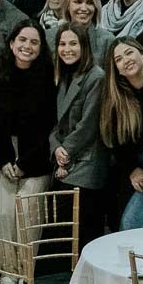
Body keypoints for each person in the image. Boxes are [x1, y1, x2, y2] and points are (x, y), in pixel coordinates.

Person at [0, 23, 56, 241]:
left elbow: (49, 125)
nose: (27, 46)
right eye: (22, 40)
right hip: (1, 155)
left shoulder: (49, 77)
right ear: (12, 43)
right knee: (4, 215)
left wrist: (24, 163)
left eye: (34, 42)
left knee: (28, 219)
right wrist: (2, 160)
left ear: (41, 48)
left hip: (36, 157)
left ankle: (27, 264)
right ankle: (6, 264)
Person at [99, 39, 143, 230]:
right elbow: (114, 141)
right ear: (117, 69)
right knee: (130, 223)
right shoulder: (117, 97)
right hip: (139, 165)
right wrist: (132, 169)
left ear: (142, 54)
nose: (126, 60)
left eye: (129, 53)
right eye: (118, 59)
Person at [50, 24, 108, 243]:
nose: (67, 49)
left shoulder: (96, 77)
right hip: (65, 158)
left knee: (81, 234)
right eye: (62, 44)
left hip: (86, 163)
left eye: (73, 43)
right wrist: (56, 148)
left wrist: (65, 154)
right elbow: (54, 123)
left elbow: (88, 125)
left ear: (84, 46)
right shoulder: (62, 76)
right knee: (62, 234)